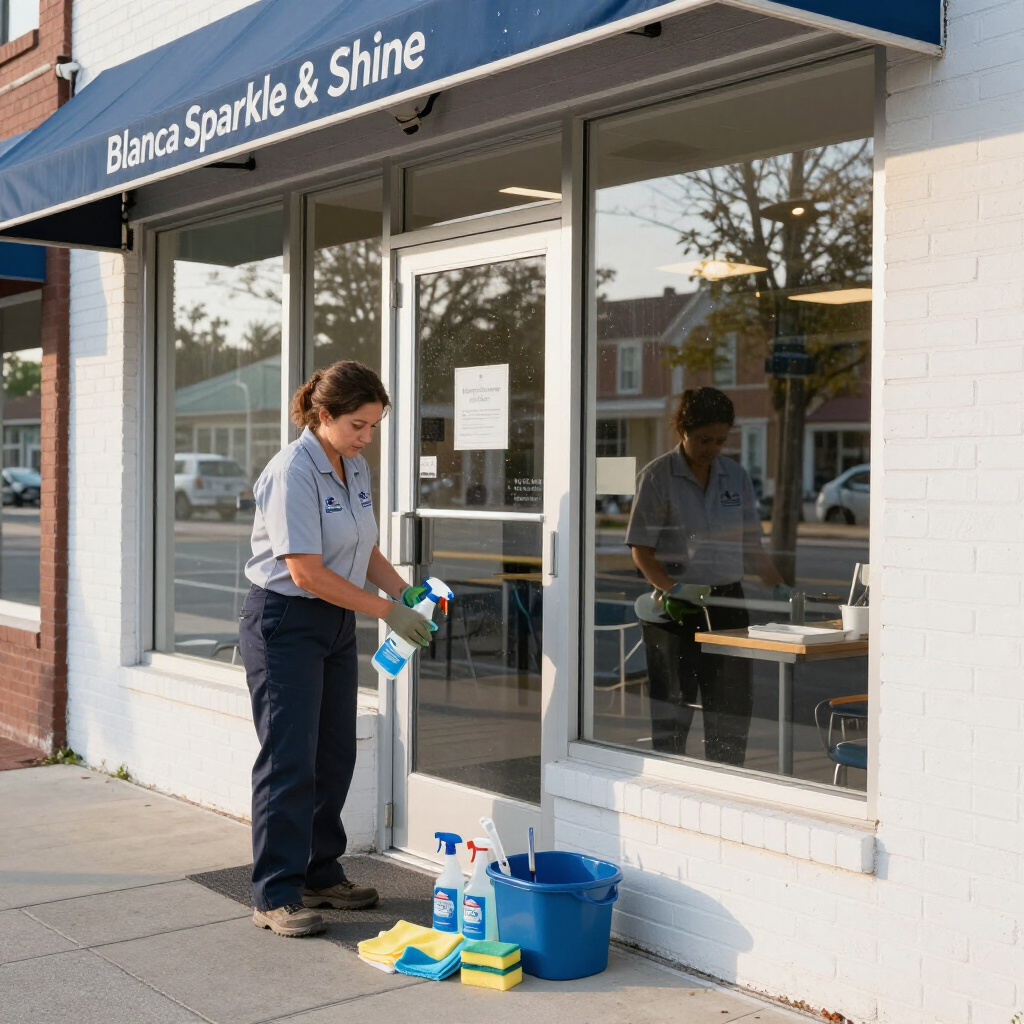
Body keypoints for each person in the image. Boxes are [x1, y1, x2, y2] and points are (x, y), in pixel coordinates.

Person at [239, 361, 435, 938]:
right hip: (285, 622)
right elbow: (305, 572)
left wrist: (404, 590)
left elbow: (363, 545)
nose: (365, 438)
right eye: (357, 425)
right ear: (322, 415)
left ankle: (319, 872)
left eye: (373, 426)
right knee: (288, 759)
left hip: (335, 623)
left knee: (333, 754)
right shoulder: (291, 472)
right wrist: (386, 612)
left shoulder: (354, 467)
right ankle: (275, 894)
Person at [626, 387, 787, 765]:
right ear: (682, 429)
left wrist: (779, 585)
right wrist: (672, 590)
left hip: (727, 603)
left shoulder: (736, 476)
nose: (712, 448)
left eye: (720, 440)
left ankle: (727, 779)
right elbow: (641, 552)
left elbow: (752, 548)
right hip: (676, 607)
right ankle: (668, 780)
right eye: (703, 439)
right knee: (674, 706)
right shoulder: (657, 477)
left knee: (730, 707)